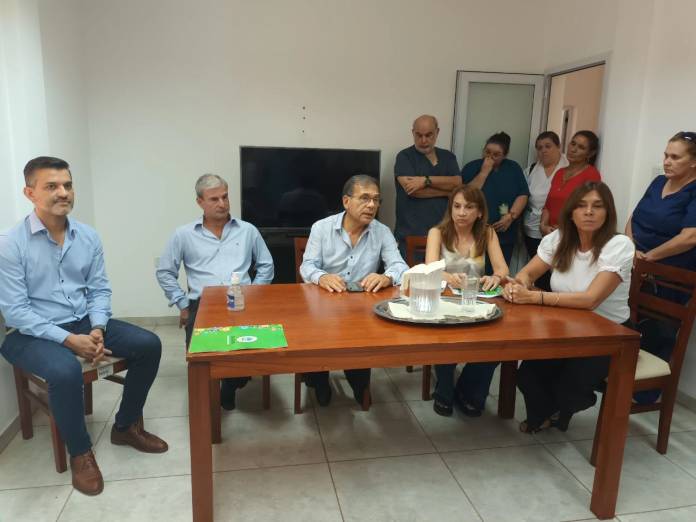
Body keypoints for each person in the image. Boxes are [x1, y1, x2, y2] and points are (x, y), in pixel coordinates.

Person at [0, 157, 168, 496]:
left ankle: (125, 426)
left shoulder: (87, 236)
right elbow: (16, 312)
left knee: (149, 344)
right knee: (64, 371)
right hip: (27, 332)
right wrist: (68, 340)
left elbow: (99, 290)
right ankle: (80, 452)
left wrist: (98, 328)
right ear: (30, 193)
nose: (63, 192)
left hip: (81, 320)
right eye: (52, 186)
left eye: (68, 185)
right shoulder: (10, 243)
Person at [503, 182, 634, 433]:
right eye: (581, 206)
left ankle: (559, 410)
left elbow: (590, 300)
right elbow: (528, 272)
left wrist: (535, 297)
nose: (589, 212)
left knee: (568, 389)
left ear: (608, 212)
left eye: (597, 206)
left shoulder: (619, 245)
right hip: (564, 326)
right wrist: (518, 285)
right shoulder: (560, 238)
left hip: (609, 334)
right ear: (571, 212)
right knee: (527, 375)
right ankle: (549, 414)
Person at [156, 174, 274, 410]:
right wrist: (182, 304)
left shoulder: (247, 230)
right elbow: (165, 272)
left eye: (225, 197)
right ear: (200, 202)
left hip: (242, 301)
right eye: (214, 199)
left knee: (249, 354)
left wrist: (253, 294)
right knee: (201, 360)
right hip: (202, 305)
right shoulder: (184, 234)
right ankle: (213, 395)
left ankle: (230, 384)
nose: (222, 203)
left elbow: (266, 265)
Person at [300, 174, 408, 406]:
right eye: (365, 198)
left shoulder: (382, 231)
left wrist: (386, 277)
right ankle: (319, 381)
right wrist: (322, 277)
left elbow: (400, 266)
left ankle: (358, 381)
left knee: (360, 353)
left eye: (376, 200)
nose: (371, 205)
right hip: (325, 303)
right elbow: (307, 266)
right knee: (315, 342)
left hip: (361, 308)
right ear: (346, 201)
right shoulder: (322, 228)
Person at [425, 185, 509, 417]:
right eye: (457, 206)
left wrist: (495, 277)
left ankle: (469, 392)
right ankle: (444, 392)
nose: (461, 212)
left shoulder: (487, 233)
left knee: (496, 345)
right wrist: (448, 277)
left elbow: (502, 269)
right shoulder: (437, 232)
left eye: (469, 207)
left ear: (480, 212)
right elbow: (430, 268)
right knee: (446, 341)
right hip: (445, 301)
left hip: (476, 302)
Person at [626, 131, 696, 403]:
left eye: (675, 157)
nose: (667, 161)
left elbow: (690, 237)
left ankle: (643, 394)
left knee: (659, 332)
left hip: (670, 278)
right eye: (666, 155)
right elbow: (633, 218)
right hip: (637, 266)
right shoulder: (658, 182)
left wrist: (650, 257)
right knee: (628, 325)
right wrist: (630, 248)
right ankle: (618, 381)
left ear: (693, 162)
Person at [394, 115, 461, 257]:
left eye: (429, 135)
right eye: (419, 135)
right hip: (412, 235)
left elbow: (457, 183)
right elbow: (413, 191)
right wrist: (446, 192)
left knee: (444, 272)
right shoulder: (404, 157)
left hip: (445, 234)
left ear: (437, 132)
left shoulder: (448, 157)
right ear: (413, 133)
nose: (423, 140)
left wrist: (425, 180)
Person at [461, 132, 529, 265]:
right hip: (475, 231)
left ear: (505, 155)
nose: (490, 157)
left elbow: (523, 194)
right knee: (474, 271)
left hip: (504, 231)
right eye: (487, 152)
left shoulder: (513, 168)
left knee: (499, 271)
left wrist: (511, 216)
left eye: (496, 154)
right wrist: (484, 172)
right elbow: (466, 196)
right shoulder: (471, 167)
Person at [523, 131, 569, 290]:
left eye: (548, 146)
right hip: (533, 228)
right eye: (539, 147)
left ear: (558, 146)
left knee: (560, 271)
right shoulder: (531, 170)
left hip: (561, 228)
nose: (543, 150)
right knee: (540, 273)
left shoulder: (568, 169)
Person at [541, 130, 601, 236]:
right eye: (573, 144)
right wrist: (543, 225)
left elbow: (589, 210)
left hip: (573, 236)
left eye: (581, 147)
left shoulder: (591, 174)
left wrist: (567, 229)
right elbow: (548, 206)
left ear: (590, 154)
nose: (573, 149)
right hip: (550, 234)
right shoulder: (559, 173)